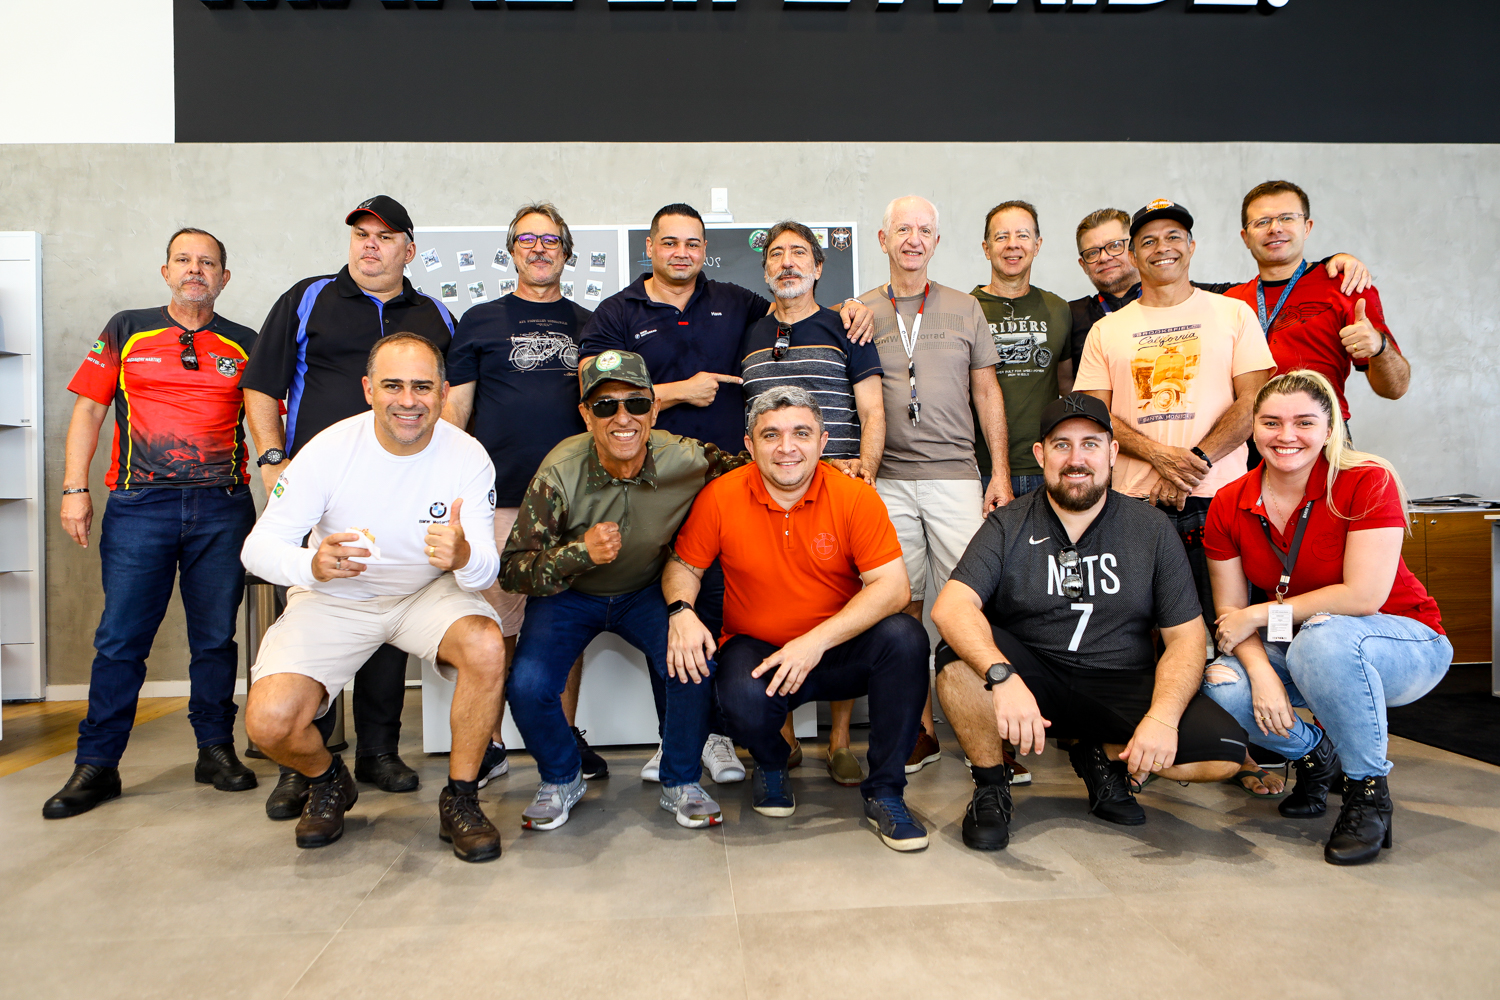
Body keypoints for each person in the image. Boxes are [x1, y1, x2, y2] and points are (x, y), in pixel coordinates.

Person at [580, 204, 873, 783]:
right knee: (667, 609)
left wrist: (852, 307)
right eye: (669, 242)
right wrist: (679, 391)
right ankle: (674, 738)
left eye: (693, 243)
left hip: (731, 484)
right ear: (650, 248)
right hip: (651, 485)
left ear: (705, 250)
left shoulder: (736, 301)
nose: (681, 252)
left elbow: (795, 309)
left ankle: (712, 735)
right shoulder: (617, 310)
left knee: (718, 609)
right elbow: (594, 394)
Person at [930, 393, 1245, 851]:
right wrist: (1003, 677)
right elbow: (951, 607)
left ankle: (1101, 755)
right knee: (955, 658)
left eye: (1090, 444)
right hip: (1036, 678)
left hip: (1119, 680)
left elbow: (1186, 638)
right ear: (1040, 455)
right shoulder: (1007, 524)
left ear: (1113, 453)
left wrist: (1161, 717)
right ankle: (991, 785)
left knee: (1223, 754)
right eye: (1061, 445)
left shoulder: (1151, 528)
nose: (1076, 459)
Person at [241, 334, 507, 862]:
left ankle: (461, 798)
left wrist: (463, 556)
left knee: (486, 644)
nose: (408, 401)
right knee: (269, 722)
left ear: (444, 392)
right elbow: (257, 549)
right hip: (335, 595)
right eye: (393, 386)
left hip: (425, 592)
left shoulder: (467, 455)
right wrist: (310, 564)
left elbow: (484, 570)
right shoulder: (327, 451)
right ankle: (328, 779)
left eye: (423, 387)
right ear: (368, 390)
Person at [241, 196, 454, 815]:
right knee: (314, 618)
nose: (369, 245)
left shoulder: (436, 314)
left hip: (401, 491)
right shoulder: (308, 298)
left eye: (384, 237)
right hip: (319, 495)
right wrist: (272, 459)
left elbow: (450, 401)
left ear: (408, 250)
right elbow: (261, 384)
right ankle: (305, 762)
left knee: (387, 604)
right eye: (361, 234)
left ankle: (379, 751)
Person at [45, 229, 260, 819]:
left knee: (215, 638)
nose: (195, 270)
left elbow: (270, 424)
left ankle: (214, 749)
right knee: (120, 639)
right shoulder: (126, 329)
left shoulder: (245, 343)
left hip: (222, 506)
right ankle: (97, 764)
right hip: (139, 506)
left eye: (207, 263)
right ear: (165, 271)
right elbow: (89, 409)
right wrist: (74, 490)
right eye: (184, 260)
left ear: (224, 278)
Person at [666, 386, 932, 851]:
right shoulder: (720, 495)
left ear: (822, 441)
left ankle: (886, 792)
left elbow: (894, 588)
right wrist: (681, 611)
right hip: (759, 650)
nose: (786, 447)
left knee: (907, 638)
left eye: (801, 433)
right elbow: (684, 566)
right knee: (736, 694)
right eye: (771, 435)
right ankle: (772, 762)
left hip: (836, 650)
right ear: (749, 445)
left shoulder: (854, 496)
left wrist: (814, 642)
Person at [1200, 370, 1449, 866]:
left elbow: (1363, 596)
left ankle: (1368, 793)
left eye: (1304, 422)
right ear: (1253, 428)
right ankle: (1314, 755)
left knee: (1323, 636)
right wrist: (1261, 674)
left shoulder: (1367, 480)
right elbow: (1231, 615)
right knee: (1221, 684)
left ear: (1330, 428)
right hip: (1301, 643)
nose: (1286, 435)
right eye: (1271, 422)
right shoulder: (1229, 501)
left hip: (1404, 641)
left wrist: (1260, 612)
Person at [500, 351, 747, 831]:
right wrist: (579, 554)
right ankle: (561, 777)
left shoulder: (686, 457)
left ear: (654, 410)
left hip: (645, 591)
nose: (622, 418)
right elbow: (513, 571)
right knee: (528, 686)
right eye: (605, 406)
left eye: (635, 403)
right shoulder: (559, 471)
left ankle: (680, 780)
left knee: (694, 664)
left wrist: (832, 469)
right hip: (571, 596)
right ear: (585, 415)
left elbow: (753, 470)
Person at [441, 202, 608, 787]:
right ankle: (488, 744)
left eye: (551, 239)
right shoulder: (480, 320)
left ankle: (561, 739)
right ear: (512, 251)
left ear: (567, 252)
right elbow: (455, 411)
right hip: (500, 501)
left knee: (564, 628)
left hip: (574, 501)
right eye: (527, 239)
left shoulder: (592, 324)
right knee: (496, 630)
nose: (539, 248)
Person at [1075, 200, 1276, 637]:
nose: (1161, 248)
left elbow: (1255, 402)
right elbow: (1094, 414)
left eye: (1173, 237)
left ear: (1191, 246)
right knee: (1136, 633)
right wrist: (1159, 456)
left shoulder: (1233, 313)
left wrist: (1192, 464)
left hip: (1219, 499)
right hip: (1133, 501)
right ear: (1133, 256)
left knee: (1225, 624)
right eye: (1148, 241)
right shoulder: (1106, 330)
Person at [859, 195, 1011, 773]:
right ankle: (918, 731)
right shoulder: (860, 311)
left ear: (937, 242)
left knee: (968, 606)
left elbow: (987, 391)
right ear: (883, 239)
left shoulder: (965, 307)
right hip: (889, 482)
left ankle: (988, 736)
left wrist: (999, 471)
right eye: (903, 229)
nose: (913, 239)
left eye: (924, 230)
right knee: (902, 607)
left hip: (955, 477)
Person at [738, 220, 884, 786]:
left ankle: (840, 741)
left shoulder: (846, 325)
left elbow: (872, 409)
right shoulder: (751, 332)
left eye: (799, 253)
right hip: (770, 495)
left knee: (842, 604)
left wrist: (866, 471)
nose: (787, 263)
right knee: (778, 604)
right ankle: (785, 738)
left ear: (819, 268)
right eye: (776, 254)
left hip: (837, 491)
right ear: (765, 270)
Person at [1067, 207, 1372, 375]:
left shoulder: (1214, 300)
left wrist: (1329, 263)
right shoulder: (1070, 315)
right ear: (1082, 264)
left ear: (1131, 251)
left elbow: (1273, 283)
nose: (1104, 257)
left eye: (1114, 246)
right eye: (1092, 252)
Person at [1223, 180, 1410, 428]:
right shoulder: (1228, 301)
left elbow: (1395, 389)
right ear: (1245, 237)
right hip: (1247, 439)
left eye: (1287, 218)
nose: (1275, 228)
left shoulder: (1346, 287)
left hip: (1322, 436)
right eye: (1262, 222)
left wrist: (1380, 346)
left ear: (1307, 227)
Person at [971, 200, 1074, 497]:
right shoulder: (966, 309)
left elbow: (1067, 386)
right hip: (981, 469)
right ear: (986, 248)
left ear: (1037, 245)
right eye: (1001, 236)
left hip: (1048, 466)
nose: (1012, 244)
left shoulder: (1058, 309)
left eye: (1023, 235)